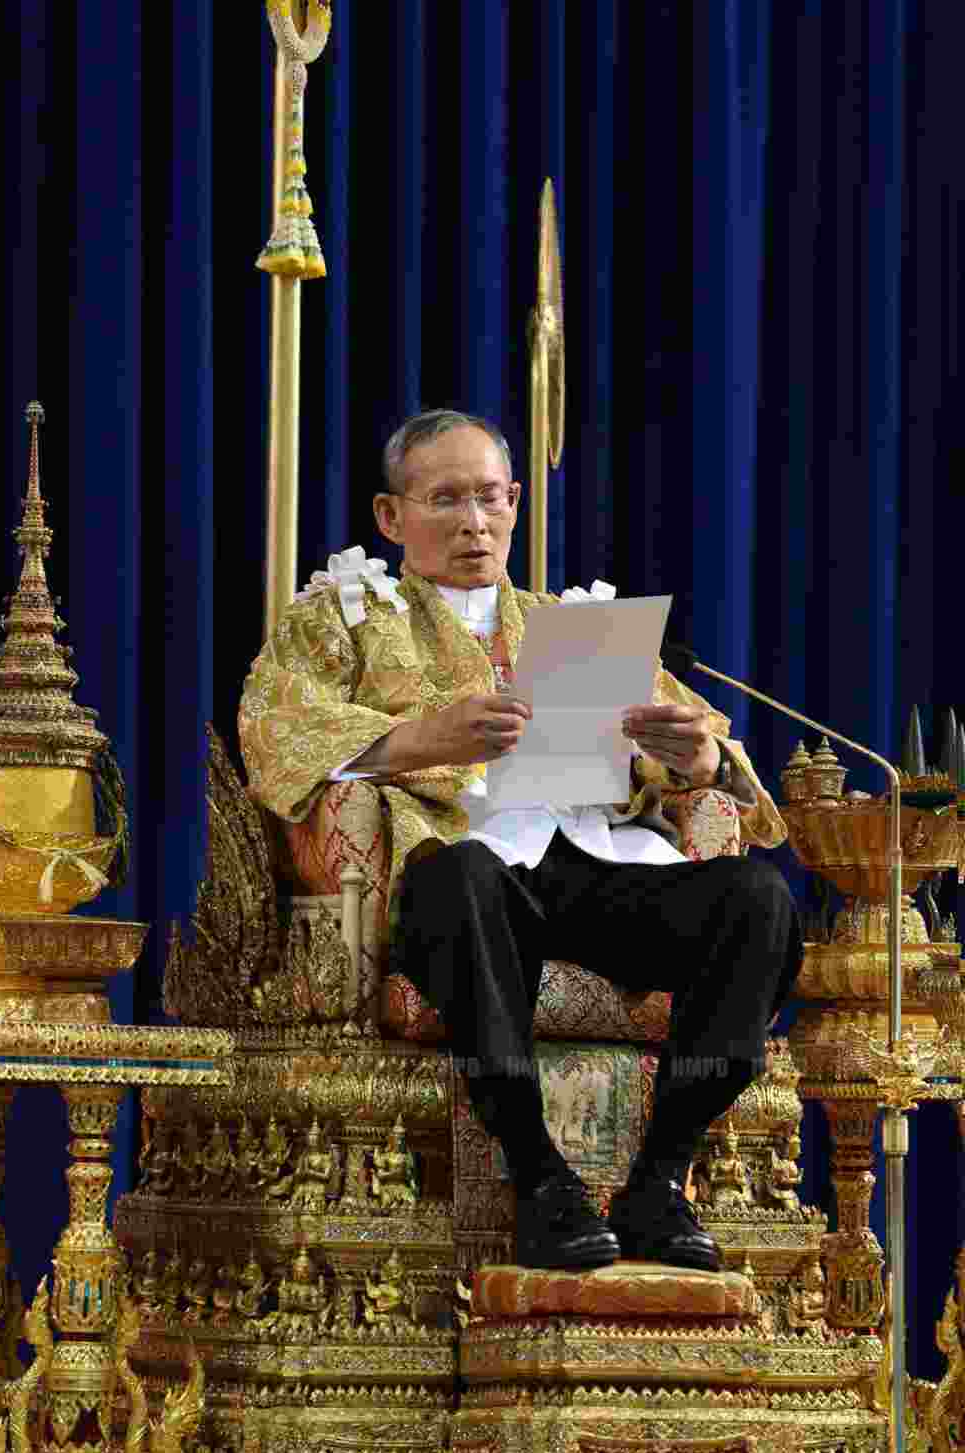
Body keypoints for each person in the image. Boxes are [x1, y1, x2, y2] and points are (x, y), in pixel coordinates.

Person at [239, 409, 803, 1274]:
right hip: (455, 875)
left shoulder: (568, 627)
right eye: (446, 500)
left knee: (755, 900)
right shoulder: (341, 622)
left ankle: (659, 1180)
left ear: (516, 504)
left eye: (491, 500)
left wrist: (702, 759)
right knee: (464, 875)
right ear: (392, 517)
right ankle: (541, 1179)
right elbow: (276, 733)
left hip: (588, 867)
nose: (475, 523)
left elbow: (699, 749)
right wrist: (424, 739)